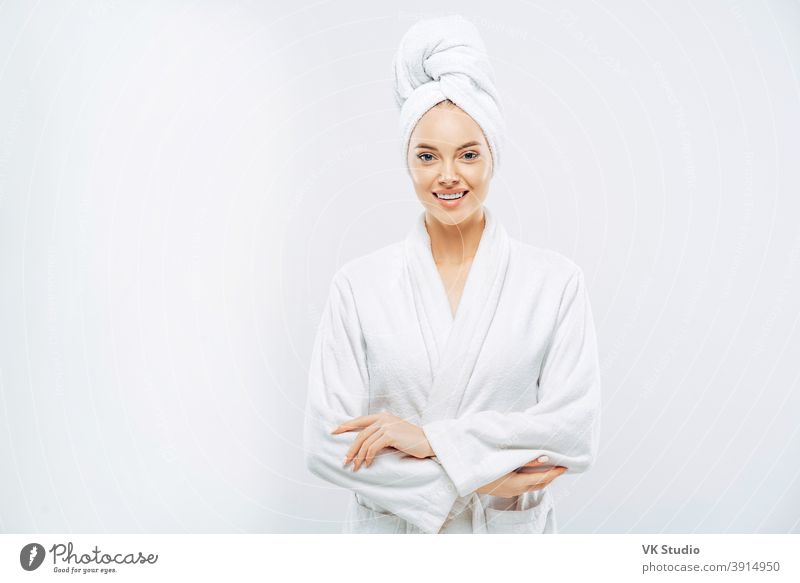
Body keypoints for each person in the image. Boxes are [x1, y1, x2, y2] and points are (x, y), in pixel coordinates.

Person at [303, 15, 601, 534]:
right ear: (408, 162)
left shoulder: (555, 284)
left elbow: (574, 433)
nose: (447, 176)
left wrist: (429, 442)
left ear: (493, 156)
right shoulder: (359, 286)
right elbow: (326, 445)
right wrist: (482, 475)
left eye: (468, 154)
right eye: (427, 156)